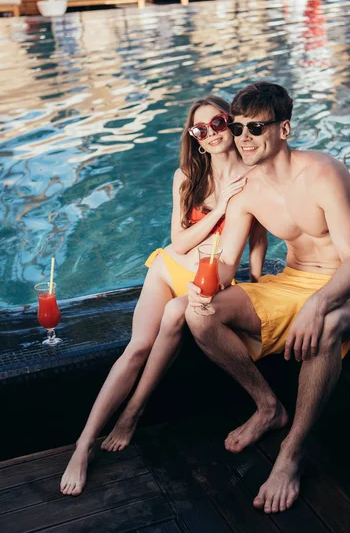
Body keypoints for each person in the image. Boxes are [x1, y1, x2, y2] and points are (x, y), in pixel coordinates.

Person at [185, 81, 350, 513]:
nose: (244, 139)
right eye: (237, 129)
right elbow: (225, 265)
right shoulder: (247, 188)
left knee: (327, 324)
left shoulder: (324, 172)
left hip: (347, 289)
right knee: (200, 315)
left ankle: (292, 453)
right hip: (290, 282)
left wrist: (318, 304)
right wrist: (196, 283)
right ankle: (267, 405)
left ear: (284, 129)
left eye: (256, 128)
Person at [60, 95, 267, 496]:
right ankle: (83, 444)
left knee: (175, 315)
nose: (210, 134)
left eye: (219, 122)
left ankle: (133, 413)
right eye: (199, 130)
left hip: (205, 280)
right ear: (194, 137)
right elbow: (176, 242)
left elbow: (256, 237)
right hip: (168, 267)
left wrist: (258, 280)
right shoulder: (187, 176)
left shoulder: (253, 179)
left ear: (231, 122)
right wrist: (220, 204)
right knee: (137, 347)